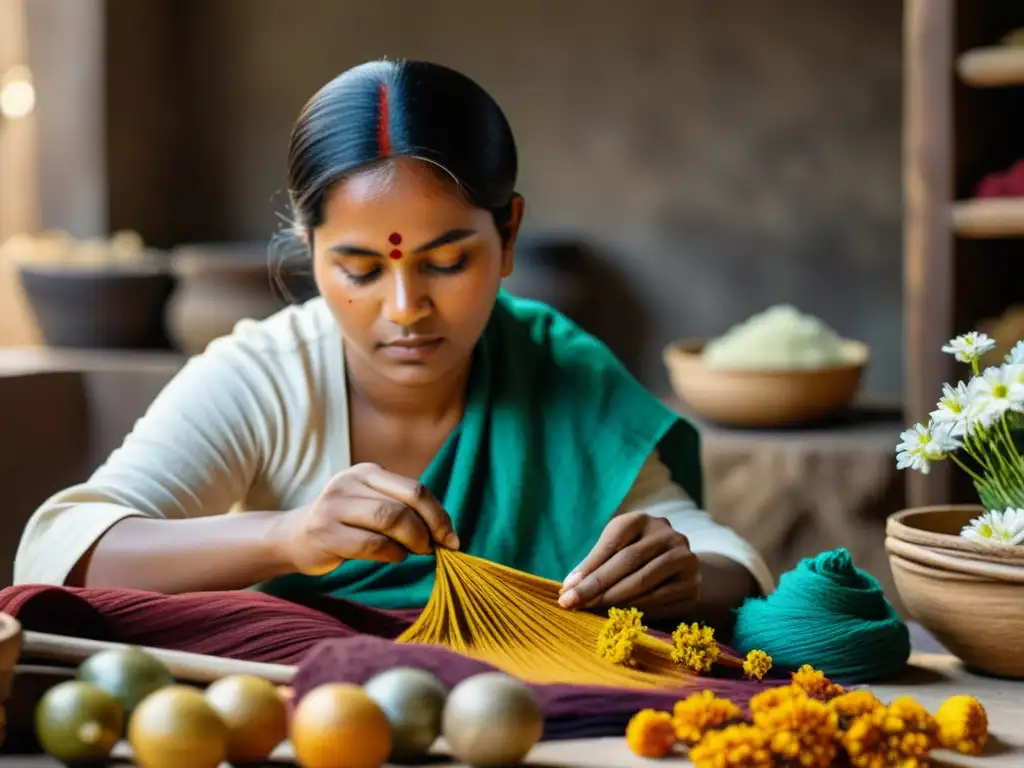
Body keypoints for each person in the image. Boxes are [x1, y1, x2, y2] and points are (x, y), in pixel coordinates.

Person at [14, 59, 772, 631]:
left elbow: (727, 564)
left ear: (507, 235)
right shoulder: (267, 379)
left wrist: (680, 571)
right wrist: (290, 534)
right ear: (309, 251)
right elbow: (61, 552)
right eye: (360, 268)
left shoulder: (559, 372)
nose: (406, 308)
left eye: (446, 262)